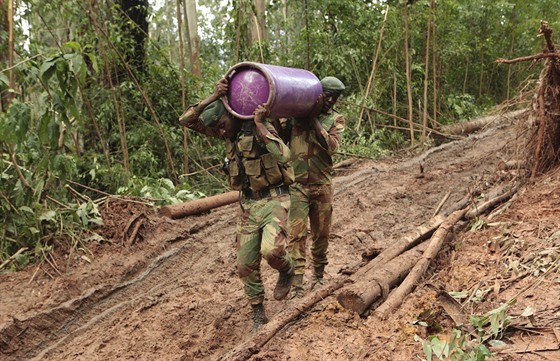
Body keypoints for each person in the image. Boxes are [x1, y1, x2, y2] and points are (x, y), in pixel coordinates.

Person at [179, 78, 295, 332]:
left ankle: (287, 269)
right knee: (244, 264)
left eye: (221, 125)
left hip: (275, 198)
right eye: (217, 129)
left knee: (272, 252)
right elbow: (186, 120)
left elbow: (284, 155)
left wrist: (261, 125)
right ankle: (258, 314)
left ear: (230, 116)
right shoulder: (226, 133)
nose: (220, 132)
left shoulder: (257, 126)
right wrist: (212, 96)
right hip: (249, 206)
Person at [279, 76, 346, 298]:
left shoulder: (335, 119)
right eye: (327, 95)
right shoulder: (296, 117)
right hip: (297, 185)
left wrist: (313, 120)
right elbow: (279, 138)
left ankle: (318, 276)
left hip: (322, 185)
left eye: (334, 98)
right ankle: (297, 284)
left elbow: (332, 147)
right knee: (296, 235)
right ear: (317, 93)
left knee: (321, 234)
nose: (330, 101)